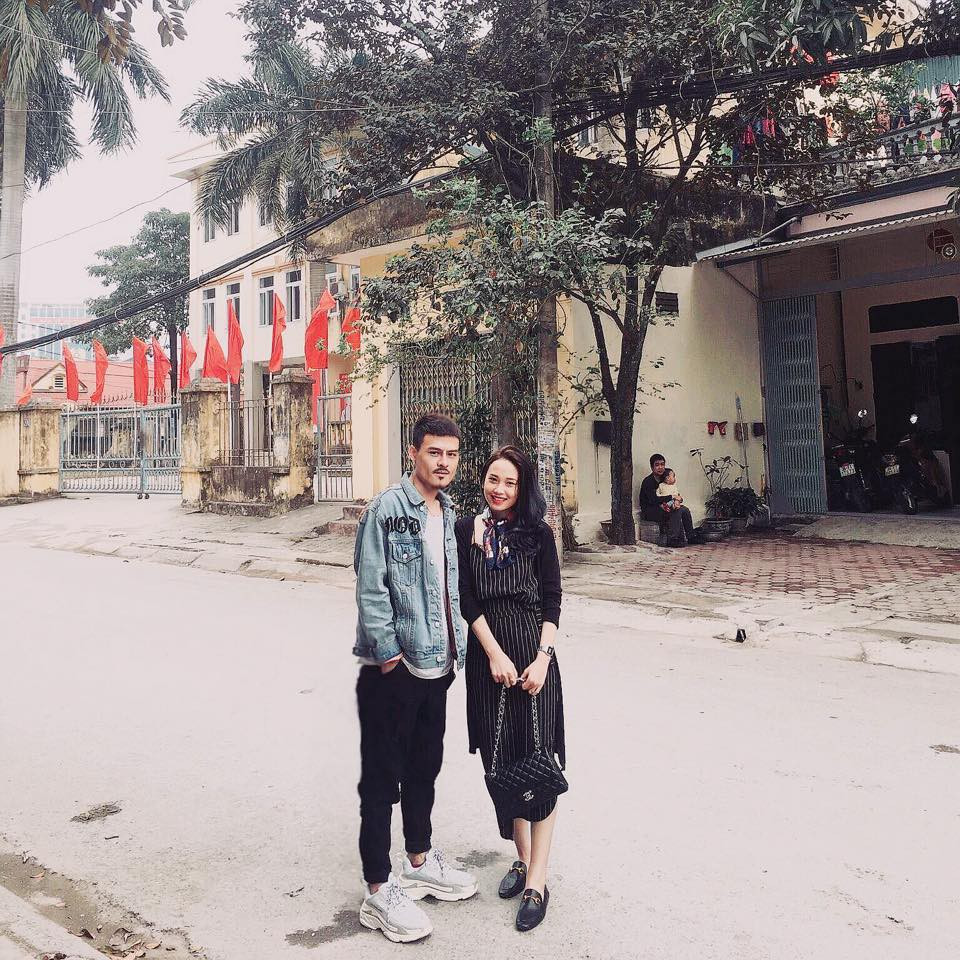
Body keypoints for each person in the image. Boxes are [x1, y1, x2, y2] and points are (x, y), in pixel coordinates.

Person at [353, 412, 478, 944]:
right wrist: (390, 658)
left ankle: (419, 861)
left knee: (424, 768)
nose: (444, 463)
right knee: (383, 780)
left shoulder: (449, 513)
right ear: (413, 453)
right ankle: (379, 890)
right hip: (395, 670)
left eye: (451, 454)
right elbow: (371, 586)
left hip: (439, 666)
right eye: (434, 452)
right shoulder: (386, 510)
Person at [455, 445, 564, 933]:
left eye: (510, 483)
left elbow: (552, 600)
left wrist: (542, 658)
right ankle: (521, 859)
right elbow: (467, 598)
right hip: (488, 663)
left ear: (523, 489)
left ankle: (538, 879)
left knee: (537, 763)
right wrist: (494, 654)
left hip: (534, 665)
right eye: (492, 479)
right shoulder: (467, 530)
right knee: (500, 762)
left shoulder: (539, 535)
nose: (498, 490)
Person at [639, 452, 698, 546]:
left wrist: (677, 500)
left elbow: (675, 493)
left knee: (684, 509)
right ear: (652, 467)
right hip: (651, 511)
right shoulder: (648, 481)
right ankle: (672, 539)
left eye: (662, 464)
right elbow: (653, 500)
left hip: (665, 506)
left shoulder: (665, 478)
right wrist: (671, 497)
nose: (660, 467)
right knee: (676, 511)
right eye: (657, 465)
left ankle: (691, 537)